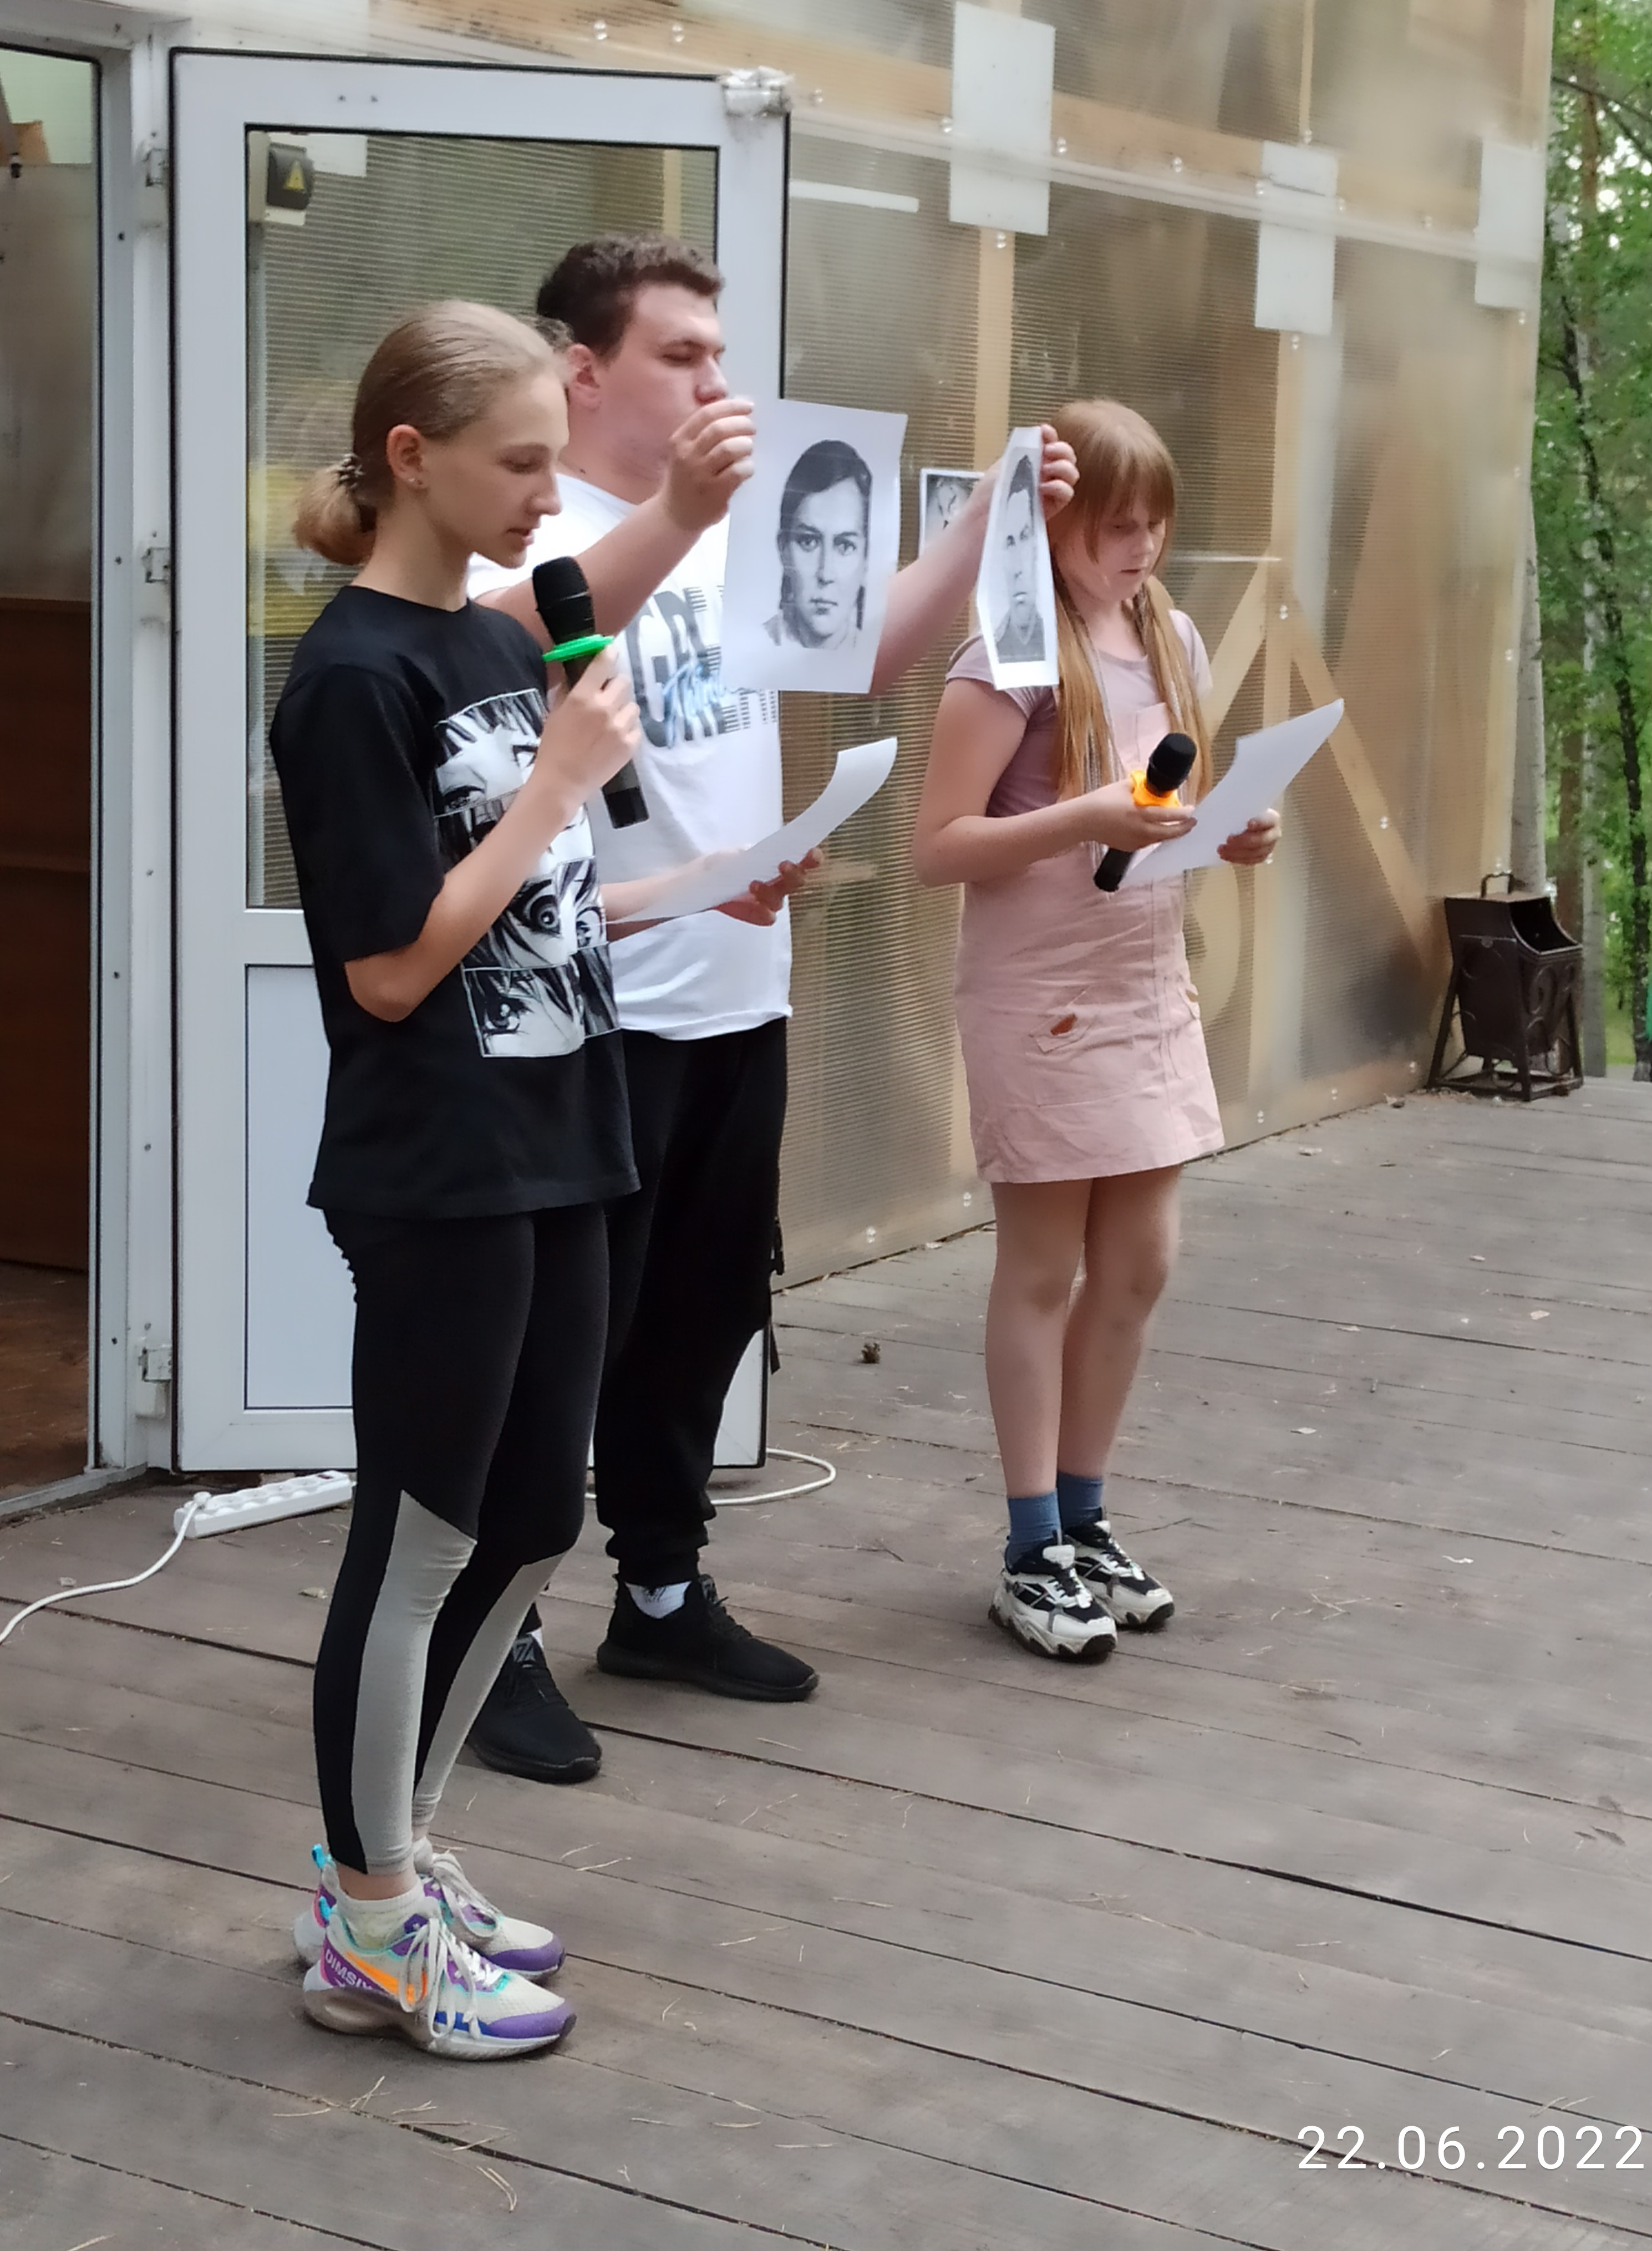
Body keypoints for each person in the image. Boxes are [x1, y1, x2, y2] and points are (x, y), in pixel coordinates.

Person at [465, 235, 1077, 1776]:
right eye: (680, 355)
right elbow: (497, 646)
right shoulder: (531, 531)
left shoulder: (728, 529)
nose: (715, 383)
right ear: (583, 372)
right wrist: (679, 512)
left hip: (738, 991)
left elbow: (866, 650)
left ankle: (660, 1592)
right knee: (555, 1341)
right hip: (591, 1009)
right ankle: (491, 1635)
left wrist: (989, 517)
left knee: (696, 1317)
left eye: (719, 355)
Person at [270, 303, 646, 2057]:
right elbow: (391, 968)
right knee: (418, 1534)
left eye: (555, 462)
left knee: (535, 1519)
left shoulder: (500, 643)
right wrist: (557, 782)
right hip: (438, 1164)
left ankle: (396, 1858)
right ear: (411, 458)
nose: (547, 498)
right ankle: (367, 1922)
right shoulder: (353, 678)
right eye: (520, 462)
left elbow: (531, 905)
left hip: (562, 1135)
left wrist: (689, 876)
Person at [912, 399, 1280, 1663]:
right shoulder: (1007, 655)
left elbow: (1171, 796)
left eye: (1155, 524)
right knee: (1042, 1266)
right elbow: (937, 846)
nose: (1140, 548)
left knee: (1139, 1262)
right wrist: (1084, 818)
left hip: (1145, 985)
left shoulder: (1169, 632)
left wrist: (1233, 824)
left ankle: (1084, 1515)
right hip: (1040, 996)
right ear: (1049, 523)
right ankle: (1030, 1543)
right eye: (1114, 527)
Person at [765, 437, 871, 651]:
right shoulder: (751, 645)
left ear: (866, 560)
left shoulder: (884, 659)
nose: (825, 574)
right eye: (808, 542)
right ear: (783, 550)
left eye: (845, 546)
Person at [992, 451, 1047, 665]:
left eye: (1025, 537)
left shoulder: (1067, 643)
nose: (1017, 569)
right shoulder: (986, 655)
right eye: (1009, 542)